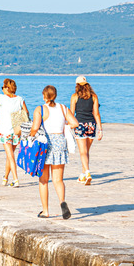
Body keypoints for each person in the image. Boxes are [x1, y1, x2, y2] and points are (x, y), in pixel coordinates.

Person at [30, 86, 78, 219]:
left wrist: (30, 135)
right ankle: (62, 202)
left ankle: (45, 211)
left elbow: (35, 128)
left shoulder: (40, 109)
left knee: (44, 180)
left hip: (46, 144)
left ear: (44, 96)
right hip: (60, 143)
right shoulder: (63, 108)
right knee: (58, 180)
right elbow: (75, 123)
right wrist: (64, 126)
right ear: (55, 95)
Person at [70, 76, 102, 185]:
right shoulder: (94, 97)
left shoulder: (74, 97)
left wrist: (67, 126)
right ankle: (83, 175)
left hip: (80, 125)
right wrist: (100, 129)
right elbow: (96, 114)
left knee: (82, 152)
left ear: (77, 85)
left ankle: (87, 172)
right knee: (86, 152)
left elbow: (72, 113)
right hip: (91, 125)